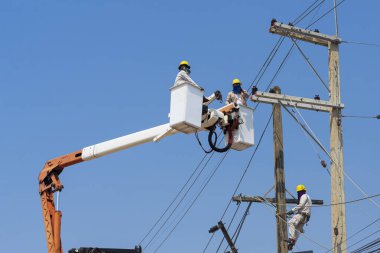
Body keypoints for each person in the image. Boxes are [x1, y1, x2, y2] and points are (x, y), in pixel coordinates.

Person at [286, 184, 312, 250]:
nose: (298, 194)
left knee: (291, 223)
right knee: (297, 229)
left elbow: (301, 205)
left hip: (302, 215)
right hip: (305, 218)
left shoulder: (304, 196)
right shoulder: (308, 198)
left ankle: (291, 239)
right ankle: (292, 243)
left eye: (298, 192)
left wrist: (292, 210)